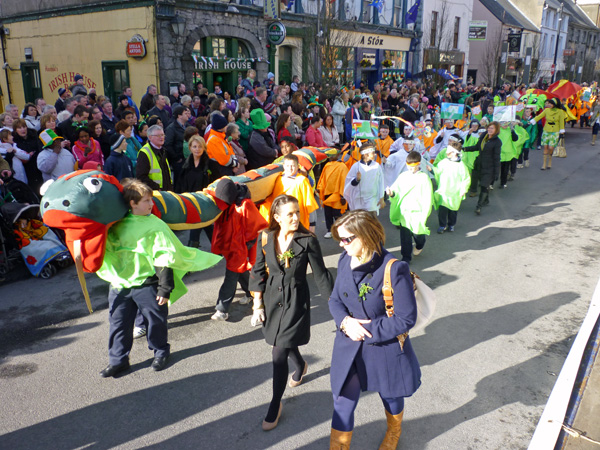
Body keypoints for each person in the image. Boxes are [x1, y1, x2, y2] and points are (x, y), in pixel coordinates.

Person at [96, 179, 222, 377]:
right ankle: (118, 360)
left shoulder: (155, 225)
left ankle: (161, 351)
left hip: (147, 283)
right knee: (118, 323)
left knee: (155, 321)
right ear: (133, 203)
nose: (151, 204)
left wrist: (164, 288)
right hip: (120, 284)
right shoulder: (115, 224)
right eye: (146, 201)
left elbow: (164, 256)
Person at [328, 209, 421, 449]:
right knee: (342, 402)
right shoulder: (344, 259)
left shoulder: (394, 268)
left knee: (390, 396)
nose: (341, 244)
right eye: (339, 238)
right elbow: (335, 300)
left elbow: (405, 318)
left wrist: (368, 330)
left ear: (366, 237)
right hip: (349, 346)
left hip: (382, 347)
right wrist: (345, 322)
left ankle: (394, 430)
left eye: (347, 239)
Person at [249, 194, 334, 431]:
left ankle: (275, 404)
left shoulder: (307, 240)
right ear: (276, 217)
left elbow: (321, 274)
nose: (296, 217)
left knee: (278, 353)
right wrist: (257, 304)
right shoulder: (265, 238)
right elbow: (257, 271)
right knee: (282, 342)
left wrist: (337, 306)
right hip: (272, 300)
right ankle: (301, 365)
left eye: (298, 212)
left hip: (296, 302)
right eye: (290, 214)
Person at [210, 178, 267, 321]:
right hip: (230, 245)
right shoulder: (226, 202)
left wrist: (246, 248)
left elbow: (257, 226)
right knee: (239, 272)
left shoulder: (245, 204)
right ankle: (251, 293)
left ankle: (222, 309)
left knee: (231, 275)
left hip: (240, 247)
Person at [387, 150, 433, 263]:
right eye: (409, 167)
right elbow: (396, 189)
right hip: (405, 212)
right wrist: (391, 193)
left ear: (418, 164)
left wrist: (425, 213)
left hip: (418, 212)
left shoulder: (424, 178)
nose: (411, 170)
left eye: (413, 167)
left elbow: (428, 197)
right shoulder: (403, 176)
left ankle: (420, 244)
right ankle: (406, 257)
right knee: (405, 237)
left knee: (418, 234)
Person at [260, 153, 318, 230]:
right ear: (283, 166)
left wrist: (312, 224)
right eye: (288, 166)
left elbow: (309, 203)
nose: (290, 168)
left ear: (298, 167)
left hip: (297, 218)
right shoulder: (278, 179)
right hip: (281, 218)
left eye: (293, 166)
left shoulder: (302, 180)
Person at [463, 121, 502, 215]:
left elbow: (497, 158)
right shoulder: (484, 136)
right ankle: (486, 199)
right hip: (479, 164)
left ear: (496, 130)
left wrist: (497, 172)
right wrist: (465, 148)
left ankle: (478, 206)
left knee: (484, 186)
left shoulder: (497, 142)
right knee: (482, 183)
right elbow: (477, 147)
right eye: (489, 127)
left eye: (492, 128)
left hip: (489, 167)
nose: (490, 129)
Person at [432, 142, 471, 233]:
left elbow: (466, 179)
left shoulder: (461, 166)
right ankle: (442, 225)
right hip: (444, 191)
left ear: (454, 152)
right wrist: (431, 170)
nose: (446, 152)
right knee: (442, 209)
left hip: (455, 192)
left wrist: (463, 190)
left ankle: (451, 224)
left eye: (449, 151)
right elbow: (438, 172)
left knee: (453, 210)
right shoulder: (443, 162)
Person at [344, 143, 385, 214]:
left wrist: (381, 197)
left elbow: (381, 182)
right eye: (373, 153)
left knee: (371, 220)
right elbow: (349, 183)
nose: (375, 154)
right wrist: (357, 179)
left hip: (372, 199)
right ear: (366, 154)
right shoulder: (356, 166)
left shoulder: (377, 166)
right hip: (358, 199)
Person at [317, 151, 349, 238]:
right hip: (327, 193)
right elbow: (323, 179)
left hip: (337, 193)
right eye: (330, 154)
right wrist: (320, 188)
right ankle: (329, 230)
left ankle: (340, 230)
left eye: (333, 154)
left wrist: (343, 196)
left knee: (337, 214)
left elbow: (344, 181)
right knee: (328, 213)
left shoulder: (342, 166)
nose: (331, 156)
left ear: (338, 155)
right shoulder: (327, 165)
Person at [530, 98, 566, 170]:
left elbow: (562, 122)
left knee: (551, 147)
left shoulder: (560, 112)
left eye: (551, 103)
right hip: (546, 130)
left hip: (555, 131)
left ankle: (550, 160)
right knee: (545, 147)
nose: (548, 104)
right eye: (548, 103)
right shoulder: (546, 110)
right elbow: (539, 116)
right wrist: (531, 121)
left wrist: (562, 132)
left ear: (555, 104)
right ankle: (544, 164)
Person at [136, 124, 173, 191]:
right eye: (158, 135)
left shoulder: (163, 150)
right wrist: (156, 187)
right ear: (150, 137)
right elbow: (141, 177)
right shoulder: (144, 153)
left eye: (162, 135)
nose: (161, 137)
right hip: (154, 193)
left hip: (166, 191)